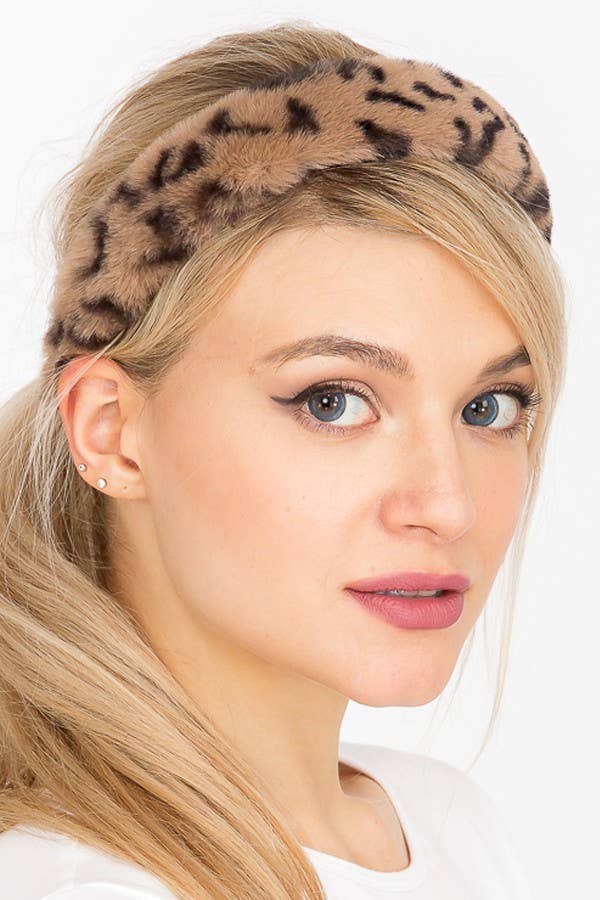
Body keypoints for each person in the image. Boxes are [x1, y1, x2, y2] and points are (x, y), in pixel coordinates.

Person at [0, 20, 566, 900]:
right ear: (110, 430)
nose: (448, 505)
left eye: (489, 408)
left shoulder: (445, 822)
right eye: (332, 401)